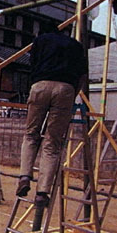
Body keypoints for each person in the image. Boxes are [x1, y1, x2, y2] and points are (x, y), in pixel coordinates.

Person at [16, 27, 87, 208]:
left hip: (40, 85)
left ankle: (25, 176)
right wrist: (72, 94)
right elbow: (83, 76)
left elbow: (31, 66)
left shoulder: (40, 40)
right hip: (65, 88)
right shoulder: (76, 46)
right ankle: (42, 193)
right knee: (52, 142)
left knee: (31, 134)